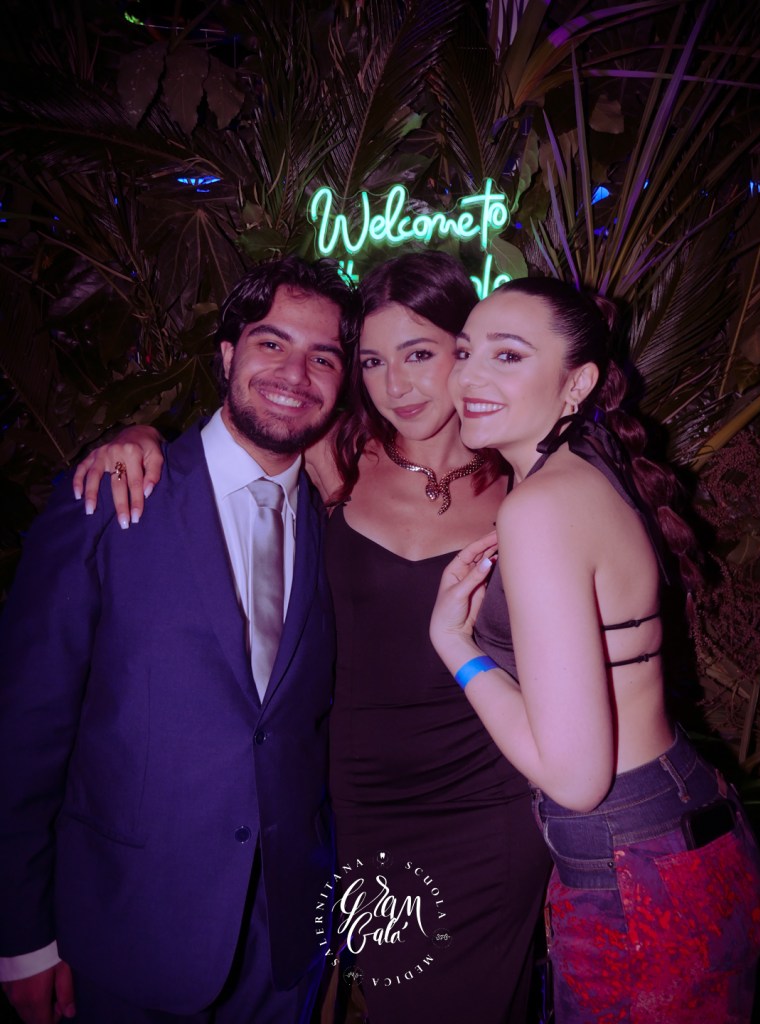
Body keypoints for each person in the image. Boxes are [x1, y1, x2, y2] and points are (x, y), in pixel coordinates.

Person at [68, 251, 553, 1024]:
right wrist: (136, 434)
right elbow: (236, 445)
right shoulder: (335, 456)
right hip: (354, 807)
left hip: (484, 802)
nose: (396, 385)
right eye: (373, 361)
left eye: (420, 354)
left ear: (466, 351)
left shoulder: (526, 482)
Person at [0, 255, 361, 1024]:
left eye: (323, 357)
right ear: (227, 355)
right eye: (271, 343)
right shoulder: (109, 494)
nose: (294, 374)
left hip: (283, 946)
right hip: (127, 930)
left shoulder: (336, 524)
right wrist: (22, 936)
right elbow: (24, 730)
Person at [429, 276, 760, 1023]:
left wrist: (454, 645)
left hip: (634, 862)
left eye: (508, 355)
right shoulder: (587, 474)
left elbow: (576, 778)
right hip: (678, 828)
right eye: (465, 351)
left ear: (578, 382)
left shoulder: (541, 505)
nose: (469, 376)